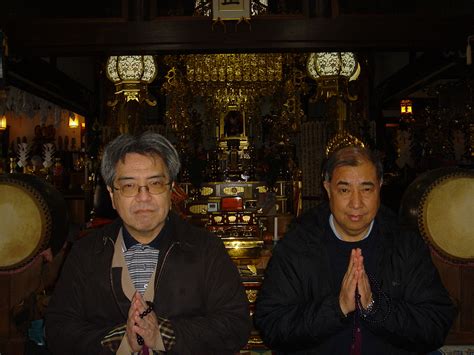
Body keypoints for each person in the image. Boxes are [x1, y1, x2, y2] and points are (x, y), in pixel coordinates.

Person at [45, 131, 251, 354]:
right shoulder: (86, 252)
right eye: (129, 186)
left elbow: (235, 325)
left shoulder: (206, 249)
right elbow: (58, 331)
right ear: (112, 196)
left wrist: (162, 334)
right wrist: (121, 339)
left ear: (171, 191)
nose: (143, 197)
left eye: (155, 184)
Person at [254, 145, 456, 354]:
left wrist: (375, 308)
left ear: (379, 186)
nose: (356, 203)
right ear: (327, 188)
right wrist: (337, 308)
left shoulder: (404, 244)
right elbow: (272, 325)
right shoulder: (298, 245)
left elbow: (435, 324)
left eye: (366, 189)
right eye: (344, 190)